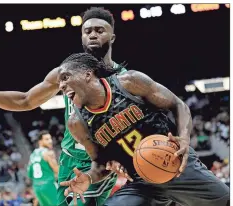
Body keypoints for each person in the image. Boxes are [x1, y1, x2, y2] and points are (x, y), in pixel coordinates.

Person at [0, 7, 129, 206]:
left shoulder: (125, 79)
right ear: (81, 37)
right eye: (88, 31)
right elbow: (25, 100)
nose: (93, 35)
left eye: (99, 30)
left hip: (98, 163)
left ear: (112, 37)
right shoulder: (64, 72)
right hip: (68, 160)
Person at [58, 53, 230, 206]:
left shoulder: (130, 83)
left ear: (88, 74)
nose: (61, 86)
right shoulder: (76, 123)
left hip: (175, 164)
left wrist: (184, 138)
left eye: (65, 77)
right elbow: (101, 163)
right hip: (140, 182)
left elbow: (177, 105)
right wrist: (88, 178)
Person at [27, 131, 59, 206]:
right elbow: (57, 170)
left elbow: (30, 174)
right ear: (40, 141)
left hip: (37, 187)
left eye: (50, 139)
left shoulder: (33, 155)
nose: (50, 141)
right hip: (49, 185)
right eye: (47, 139)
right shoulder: (48, 153)